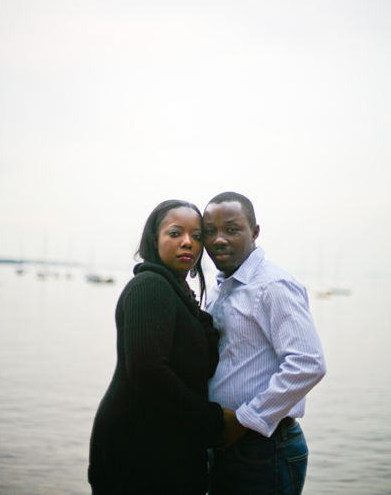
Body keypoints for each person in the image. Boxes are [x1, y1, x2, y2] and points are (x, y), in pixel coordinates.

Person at [88, 200, 226, 495]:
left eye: (197, 236)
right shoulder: (150, 287)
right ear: (155, 239)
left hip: (162, 444)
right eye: (175, 233)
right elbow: (148, 371)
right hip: (136, 450)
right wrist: (210, 421)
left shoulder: (177, 292)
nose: (187, 242)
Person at [203, 192, 327, 495]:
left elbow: (308, 363)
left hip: (265, 448)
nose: (219, 239)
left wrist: (245, 419)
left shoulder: (272, 285)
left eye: (232, 229)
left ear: (254, 232)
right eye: (210, 231)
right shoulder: (226, 287)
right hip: (229, 445)